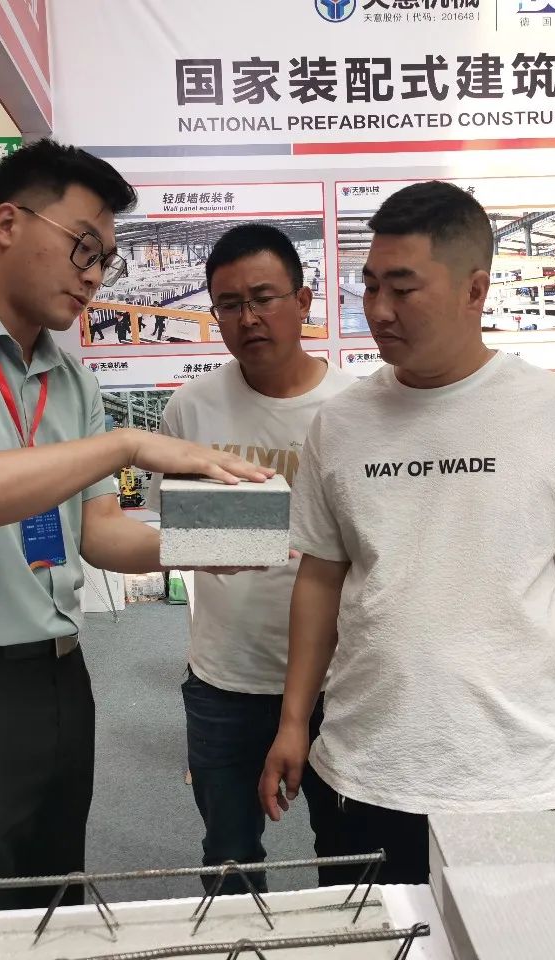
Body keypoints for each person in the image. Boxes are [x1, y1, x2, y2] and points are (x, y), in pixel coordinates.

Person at [0, 138, 271, 956]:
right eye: (83, 247)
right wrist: (124, 445)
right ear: (8, 223)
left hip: (58, 677)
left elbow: (98, 533)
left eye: (105, 260)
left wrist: (206, 540)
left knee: (54, 908)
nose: (93, 276)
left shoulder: (71, 379)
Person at [259, 180, 555, 887]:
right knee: (377, 936)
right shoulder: (340, 424)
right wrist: (293, 722)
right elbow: (319, 580)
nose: (378, 309)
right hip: (364, 769)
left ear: (475, 290)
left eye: (403, 288)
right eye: (370, 285)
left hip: (515, 776)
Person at [147, 224, 354, 893]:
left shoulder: (355, 409)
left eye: (263, 298)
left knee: (350, 858)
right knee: (229, 856)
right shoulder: (191, 409)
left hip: (339, 680)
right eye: (229, 305)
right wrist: (221, 539)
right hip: (225, 677)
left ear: (304, 300)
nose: (248, 318)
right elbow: (171, 529)